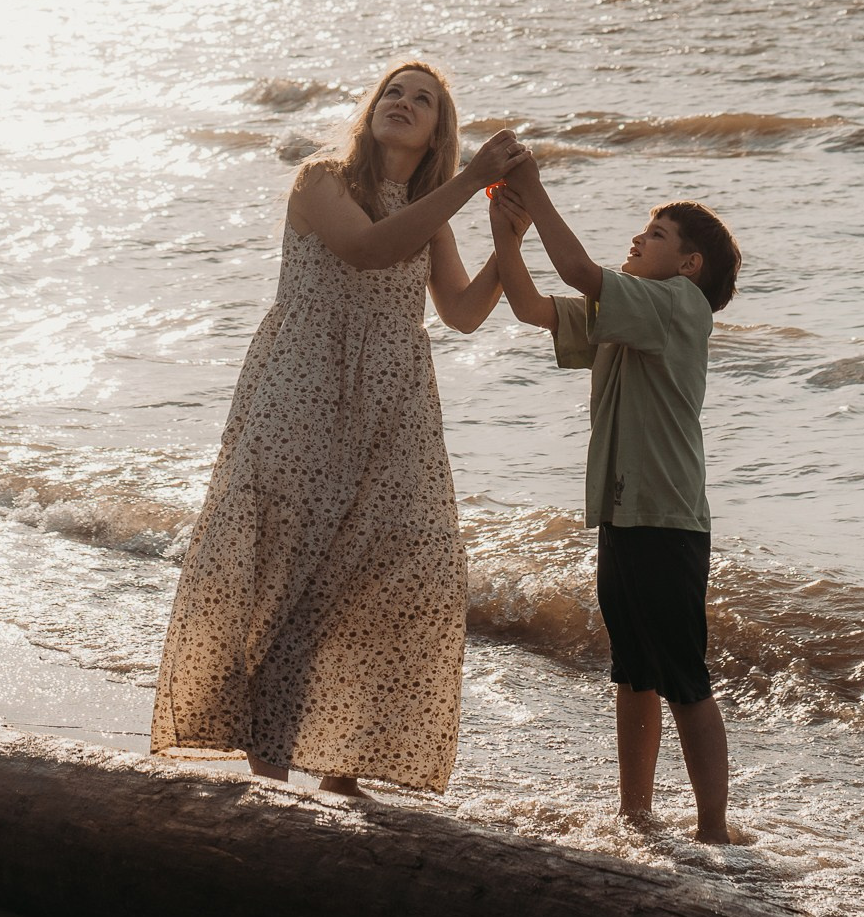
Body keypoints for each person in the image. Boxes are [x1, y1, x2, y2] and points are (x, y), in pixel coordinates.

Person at [150, 60, 516, 798]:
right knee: (286, 568)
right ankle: (271, 773)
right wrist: (471, 181)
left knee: (390, 572)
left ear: (438, 131)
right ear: (370, 108)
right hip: (304, 390)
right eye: (393, 92)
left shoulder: (425, 204)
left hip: (392, 405)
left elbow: (463, 312)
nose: (404, 104)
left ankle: (344, 768)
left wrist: (508, 243)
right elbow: (364, 249)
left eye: (423, 100)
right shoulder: (324, 179)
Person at [490, 163, 746, 844]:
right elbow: (531, 309)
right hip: (626, 514)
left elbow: (575, 269)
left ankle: (714, 830)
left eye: (655, 233)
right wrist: (506, 238)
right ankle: (636, 814)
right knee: (633, 672)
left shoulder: (677, 306)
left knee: (683, 678)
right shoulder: (631, 309)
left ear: (688, 265)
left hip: (666, 520)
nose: (638, 237)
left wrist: (535, 190)